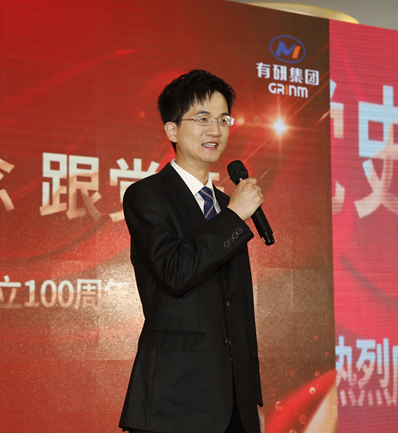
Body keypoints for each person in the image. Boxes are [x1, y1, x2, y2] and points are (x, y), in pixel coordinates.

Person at [118, 70, 265, 433]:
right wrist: (234, 217)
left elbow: (237, 305)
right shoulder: (147, 195)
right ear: (172, 130)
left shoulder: (226, 206)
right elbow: (175, 273)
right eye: (202, 119)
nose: (215, 130)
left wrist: (251, 398)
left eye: (223, 119)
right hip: (176, 399)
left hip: (235, 404)